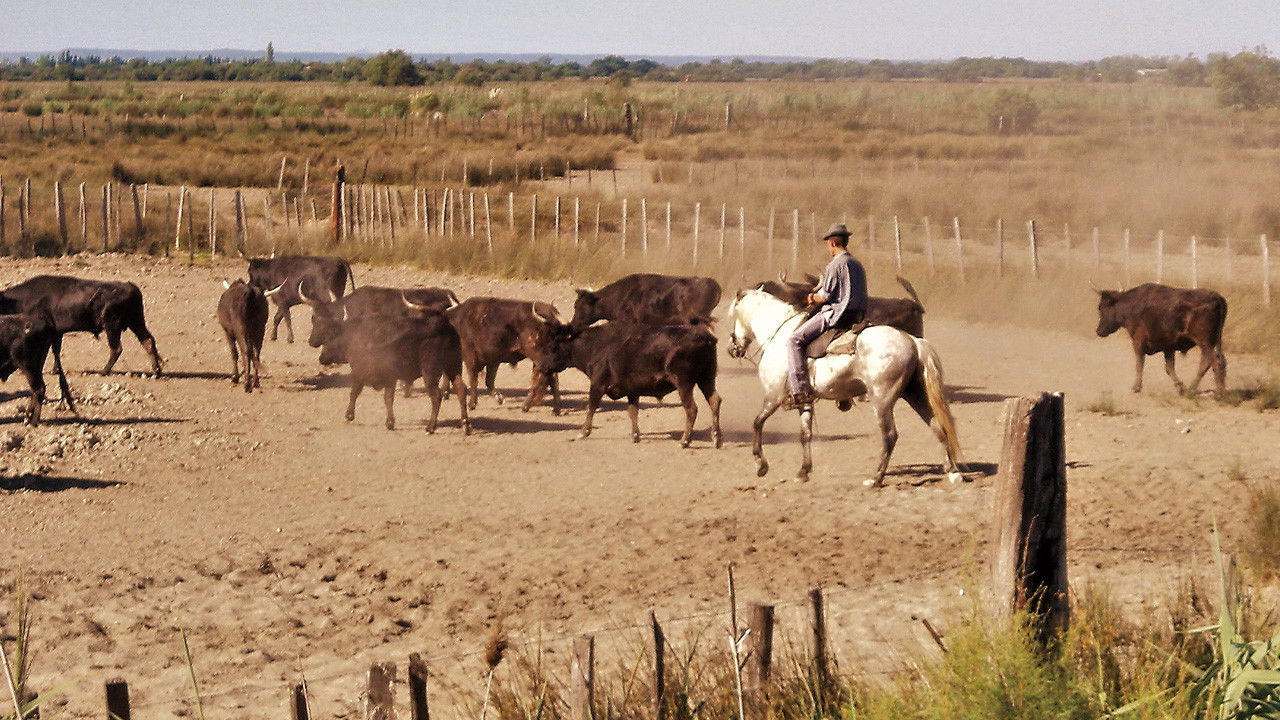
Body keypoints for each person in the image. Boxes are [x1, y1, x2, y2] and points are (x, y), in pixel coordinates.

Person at [787, 223, 868, 407]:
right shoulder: (857, 264)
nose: (828, 249)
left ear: (832, 243)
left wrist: (810, 298)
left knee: (794, 340)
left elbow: (825, 296)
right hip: (858, 316)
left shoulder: (835, 264)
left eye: (828, 245)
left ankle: (799, 391)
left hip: (837, 315)